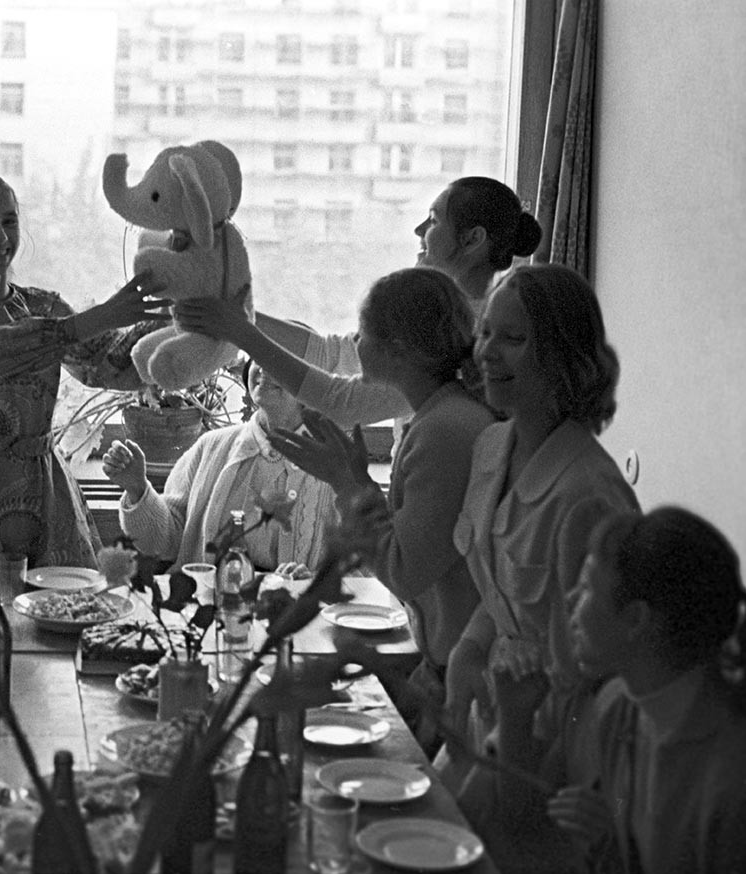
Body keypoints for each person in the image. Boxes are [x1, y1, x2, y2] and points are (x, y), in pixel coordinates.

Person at [267, 267, 493, 750]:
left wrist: (346, 484)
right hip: (446, 662)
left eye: (363, 333)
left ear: (399, 349)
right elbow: (411, 541)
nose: (355, 342)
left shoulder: (445, 431)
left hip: (468, 674)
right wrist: (357, 481)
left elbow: (405, 570)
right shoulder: (435, 416)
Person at [0, 171, 170, 567]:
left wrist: (177, 314)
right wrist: (100, 316)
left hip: (48, 494)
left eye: (9, 221)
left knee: (62, 615)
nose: (0, 236)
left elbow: (113, 368)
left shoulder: (42, 306)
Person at [443, 263, 638, 783]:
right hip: (494, 712)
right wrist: (469, 648)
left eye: (512, 338)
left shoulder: (588, 497)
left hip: (557, 745)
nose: (486, 351)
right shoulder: (490, 448)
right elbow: (504, 597)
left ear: (560, 358)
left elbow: (602, 666)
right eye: (485, 331)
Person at [174, 177, 542, 432]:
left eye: (432, 220)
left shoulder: (472, 334)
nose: (418, 231)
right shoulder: (443, 313)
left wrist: (242, 331)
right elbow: (333, 353)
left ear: (473, 239)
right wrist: (243, 318)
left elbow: (343, 403)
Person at [542, 506, 746, 874]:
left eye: (587, 586)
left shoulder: (730, 781)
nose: (571, 600)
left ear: (636, 619)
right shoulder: (617, 710)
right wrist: (607, 844)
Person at [103, 358, 337, 574]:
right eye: (259, 355)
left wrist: (313, 583)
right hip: (208, 607)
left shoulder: (336, 469)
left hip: (295, 614)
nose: (265, 367)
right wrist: (137, 489)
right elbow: (164, 543)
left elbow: (358, 569)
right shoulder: (211, 446)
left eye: (280, 359)